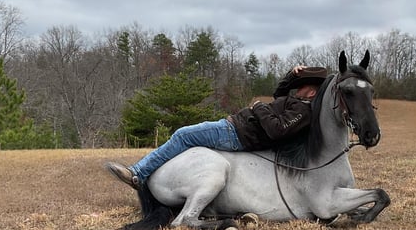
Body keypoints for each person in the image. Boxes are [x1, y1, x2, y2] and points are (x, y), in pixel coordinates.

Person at [106, 65, 328, 189]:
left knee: (182, 135)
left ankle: (139, 174)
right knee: (185, 139)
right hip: (236, 127)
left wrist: (259, 106)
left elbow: (276, 129)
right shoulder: (297, 103)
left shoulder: (303, 112)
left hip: (236, 134)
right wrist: (291, 74)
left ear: (312, 90)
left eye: (301, 84)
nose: (296, 88)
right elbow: (280, 94)